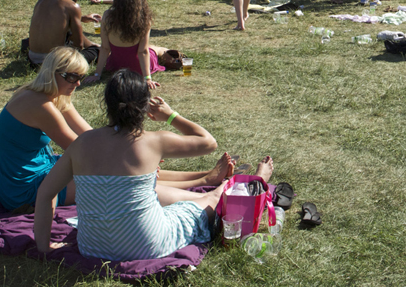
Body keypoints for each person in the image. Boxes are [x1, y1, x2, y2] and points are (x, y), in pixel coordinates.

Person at [34, 70, 273, 261]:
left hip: (92, 247)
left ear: (107, 104)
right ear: (145, 105)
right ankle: (243, 183)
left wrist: (44, 246)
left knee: (159, 199)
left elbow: (45, 194)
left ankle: (219, 184)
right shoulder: (154, 141)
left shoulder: (82, 143)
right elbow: (208, 142)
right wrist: (170, 115)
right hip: (145, 245)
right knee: (208, 201)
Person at [0, 47, 94, 212]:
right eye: (73, 77)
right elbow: (80, 149)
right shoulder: (41, 106)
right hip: (22, 191)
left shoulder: (44, 92)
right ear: (53, 73)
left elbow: (89, 135)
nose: (78, 83)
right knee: (109, 179)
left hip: (38, 170)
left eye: (81, 77)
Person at [88, 0, 175, 88]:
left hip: (116, 65)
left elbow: (105, 48)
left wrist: (97, 74)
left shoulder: (107, 16)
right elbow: (142, 51)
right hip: (138, 66)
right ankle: (165, 51)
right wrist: (147, 78)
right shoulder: (144, 19)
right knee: (153, 48)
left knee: (149, 47)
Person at [27, 0, 102, 67]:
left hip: (32, 58)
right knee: (98, 51)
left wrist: (82, 18)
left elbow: (55, 21)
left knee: (69, 31)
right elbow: (79, 45)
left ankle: (94, 45)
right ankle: (96, 47)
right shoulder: (72, 6)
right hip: (53, 62)